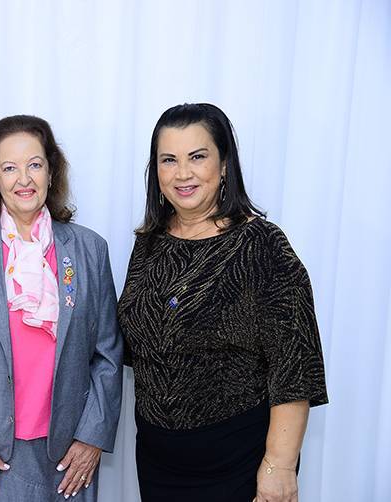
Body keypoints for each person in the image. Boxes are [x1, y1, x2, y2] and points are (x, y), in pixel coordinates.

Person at [118, 103, 329, 502]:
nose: (183, 173)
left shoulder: (262, 246)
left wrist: (280, 467)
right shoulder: (149, 244)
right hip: (157, 462)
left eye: (197, 157)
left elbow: (294, 366)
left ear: (225, 165)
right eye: (169, 160)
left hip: (239, 463)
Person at [0, 115, 123, 501]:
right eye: (10, 168)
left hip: (67, 454)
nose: (24, 179)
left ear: (51, 171)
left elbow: (108, 354)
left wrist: (91, 437)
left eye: (35, 164)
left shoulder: (89, 249)